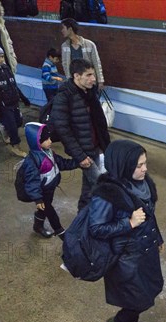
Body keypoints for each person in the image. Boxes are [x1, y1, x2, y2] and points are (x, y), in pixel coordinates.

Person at [88, 140, 164, 322]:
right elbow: (96, 228)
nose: (145, 169)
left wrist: (158, 238)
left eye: (145, 163)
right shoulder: (107, 194)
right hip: (125, 258)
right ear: (123, 165)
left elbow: (149, 215)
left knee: (148, 290)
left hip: (146, 250)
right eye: (139, 166)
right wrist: (128, 223)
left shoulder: (145, 183)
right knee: (137, 296)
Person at [51, 58, 110, 211]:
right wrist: (80, 155)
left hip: (95, 147)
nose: (93, 79)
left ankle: (82, 214)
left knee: (89, 186)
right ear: (76, 76)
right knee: (101, 185)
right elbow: (62, 129)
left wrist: (105, 145)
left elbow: (99, 122)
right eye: (88, 75)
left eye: (93, 75)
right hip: (84, 152)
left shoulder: (90, 93)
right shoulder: (64, 96)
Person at [21, 123, 78, 239]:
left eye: (50, 138)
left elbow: (62, 164)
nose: (50, 141)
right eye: (46, 139)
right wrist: (37, 198)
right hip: (42, 191)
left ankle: (38, 226)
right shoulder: (32, 161)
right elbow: (32, 182)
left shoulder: (49, 152)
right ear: (36, 141)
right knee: (49, 209)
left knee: (43, 208)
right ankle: (61, 231)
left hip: (50, 188)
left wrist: (78, 163)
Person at [60, 18, 105, 90]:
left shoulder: (89, 44)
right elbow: (65, 65)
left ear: (70, 29)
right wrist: (69, 80)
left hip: (89, 81)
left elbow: (96, 63)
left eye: (63, 28)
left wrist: (100, 81)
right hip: (75, 83)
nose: (62, 30)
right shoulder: (64, 46)